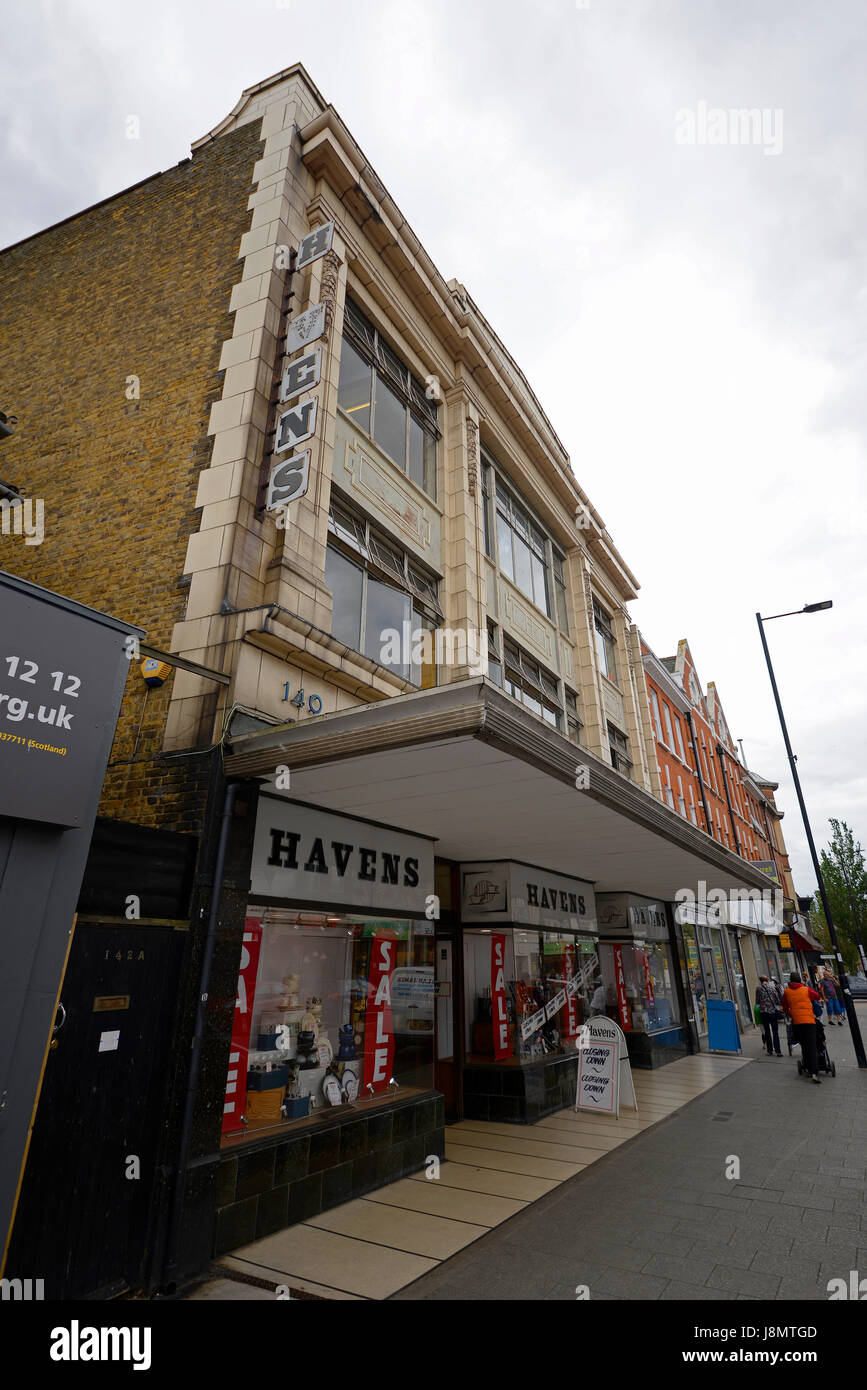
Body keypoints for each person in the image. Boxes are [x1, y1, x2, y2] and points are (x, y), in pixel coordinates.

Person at [781, 972, 823, 1083]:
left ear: (790, 980)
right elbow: (817, 996)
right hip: (809, 1021)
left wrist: (792, 1015)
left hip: (797, 1023)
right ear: (800, 980)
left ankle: (808, 1068)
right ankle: (814, 1072)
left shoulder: (786, 992)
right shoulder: (805, 989)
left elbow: (784, 1008)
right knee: (812, 1047)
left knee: (804, 1046)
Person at [755, 975, 782, 1056]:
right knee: (775, 1032)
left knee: (767, 1031)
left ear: (760, 981)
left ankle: (770, 1050)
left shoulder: (758, 989)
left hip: (764, 1012)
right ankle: (778, 1051)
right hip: (772, 1012)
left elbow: (757, 1002)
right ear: (767, 980)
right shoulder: (772, 988)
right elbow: (777, 1000)